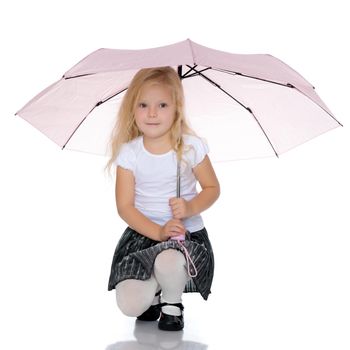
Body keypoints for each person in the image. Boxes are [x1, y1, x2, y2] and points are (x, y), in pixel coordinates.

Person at [106, 66, 220, 331]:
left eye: (162, 104)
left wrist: (190, 206)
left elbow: (212, 187)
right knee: (131, 304)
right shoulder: (130, 153)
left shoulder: (190, 147)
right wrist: (157, 230)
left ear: (177, 108)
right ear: (132, 109)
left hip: (183, 235)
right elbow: (125, 206)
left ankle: (172, 302)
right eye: (143, 104)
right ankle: (153, 292)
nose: (152, 113)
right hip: (143, 233)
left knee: (168, 261)